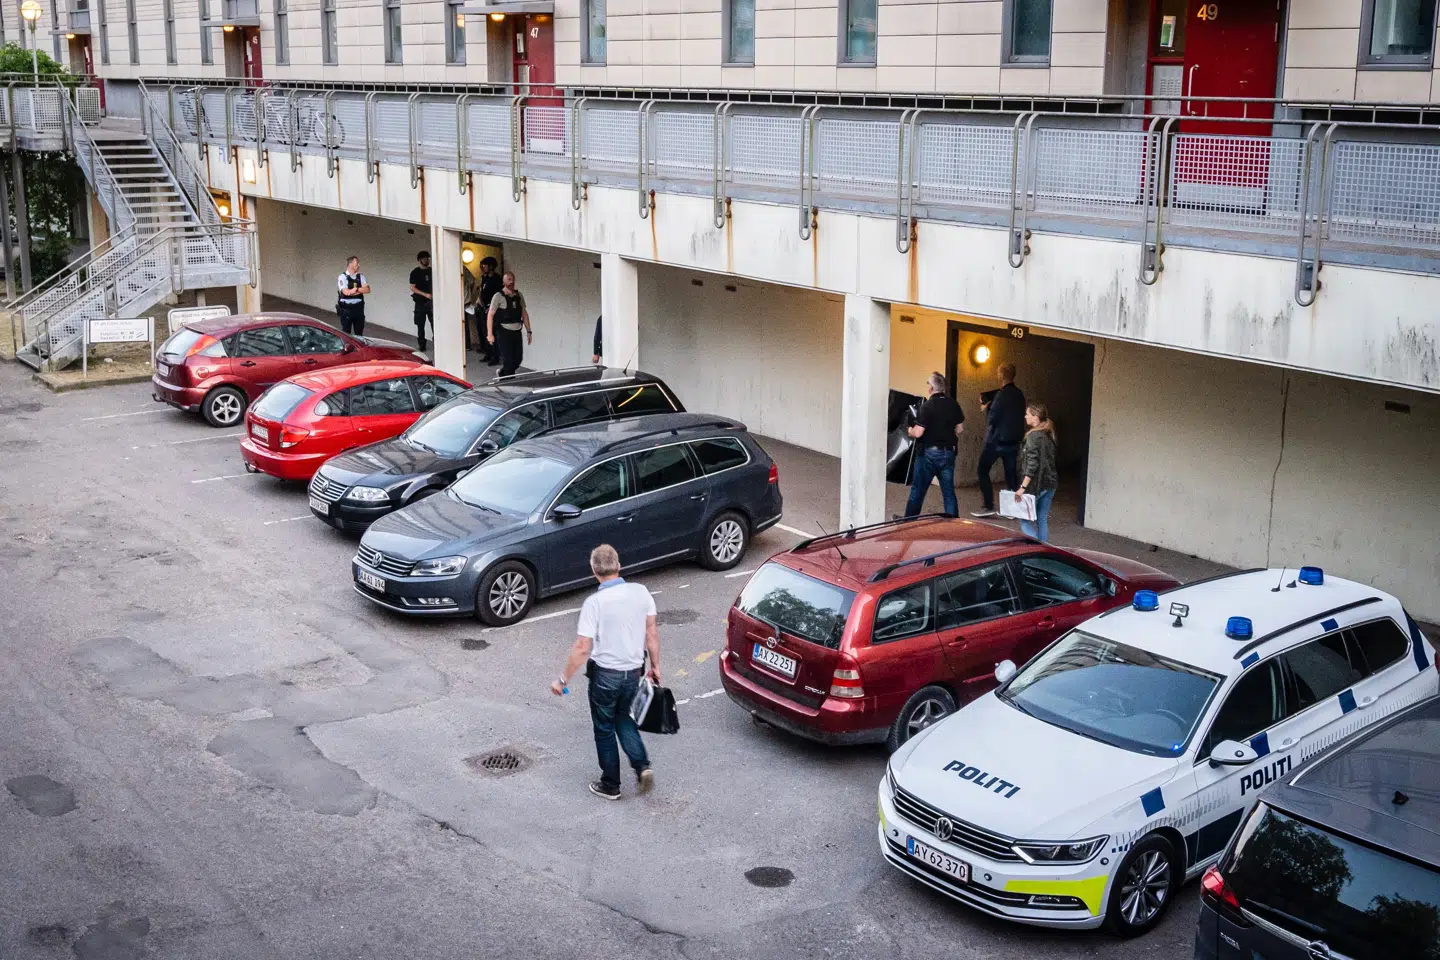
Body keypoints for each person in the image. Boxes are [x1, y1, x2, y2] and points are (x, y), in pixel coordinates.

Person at [551, 544, 660, 801]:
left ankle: (611, 784)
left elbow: (581, 648)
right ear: (618, 565)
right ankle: (642, 765)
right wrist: (655, 667)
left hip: (605, 677)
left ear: (594, 571)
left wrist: (563, 678)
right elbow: (652, 634)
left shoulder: (594, 603)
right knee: (625, 719)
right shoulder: (641, 592)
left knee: (603, 728)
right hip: (634, 672)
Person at [903, 372, 964, 518]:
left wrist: (909, 430)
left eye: (928, 384)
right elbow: (960, 428)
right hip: (948, 453)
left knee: (918, 490)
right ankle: (954, 524)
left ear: (931, 388)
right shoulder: (953, 403)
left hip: (928, 455)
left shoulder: (927, 406)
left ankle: (908, 521)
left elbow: (918, 433)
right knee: (948, 492)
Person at [971, 362, 1026, 518]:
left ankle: (988, 505)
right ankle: (1014, 510)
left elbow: (992, 418)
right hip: (1014, 441)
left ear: (1001, 375)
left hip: (996, 442)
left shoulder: (1001, 395)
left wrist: (985, 408)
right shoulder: (1019, 394)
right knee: (1011, 475)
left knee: (982, 470)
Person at [1014, 403, 1058, 543]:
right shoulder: (1049, 436)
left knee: (1024, 519)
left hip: (1036, 485)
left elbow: (1032, 465)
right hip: (1050, 484)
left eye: (1028, 414)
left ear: (1036, 417)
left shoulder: (1033, 437)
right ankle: (1044, 548)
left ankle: (1035, 546)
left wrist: (1022, 488)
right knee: (1042, 519)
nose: (1025, 416)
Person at [486, 270, 531, 377]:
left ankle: (502, 373)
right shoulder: (498, 296)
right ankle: (508, 382)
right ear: (504, 281)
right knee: (508, 360)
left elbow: (524, 314)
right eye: (509, 279)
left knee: (518, 359)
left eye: (513, 279)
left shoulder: (519, 295)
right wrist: (490, 334)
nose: (511, 282)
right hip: (504, 331)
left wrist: (529, 331)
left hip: (516, 331)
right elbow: (490, 315)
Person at [335, 256, 370, 336]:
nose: (359, 265)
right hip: (346, 309)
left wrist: (356, 290)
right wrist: (358, 290)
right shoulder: (342, 277)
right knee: (346, 334)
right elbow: (346, 292)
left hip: (358, 309)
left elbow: (367, 290)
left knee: (359, 333)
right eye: (357, 263)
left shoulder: (361, 277)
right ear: (350, 264)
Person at [477, 257, 502, 365]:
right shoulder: (484, 278)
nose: (483, 268)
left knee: (493, 333)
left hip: (492, 310)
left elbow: (498, 295)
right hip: (483, 308)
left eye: (485, 265)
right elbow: (481, 291)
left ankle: (495, 357)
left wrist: (492, 307)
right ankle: (488, 353)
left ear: (491, 266)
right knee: (484, 332)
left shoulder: (497, 280)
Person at [409, 250, 433, 353]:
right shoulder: (415, 272)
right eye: (424, 258)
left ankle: (438, 342)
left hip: (431, 303)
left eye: (428, 258)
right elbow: (412, 288)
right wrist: (425, 294)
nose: (426, 260)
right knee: (420, 325)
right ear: (419, 260)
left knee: (435, 324)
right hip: (420, 303)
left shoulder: (432, 271)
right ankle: (422, 345)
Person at [462, 265, 481, 352]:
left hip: (462, 300)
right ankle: (467, 345)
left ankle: (465, 344)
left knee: (463, 324)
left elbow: (472, 281)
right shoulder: (464, 268)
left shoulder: (462, 268)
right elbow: (472, 281)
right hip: (465, 299)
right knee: (464, 324)